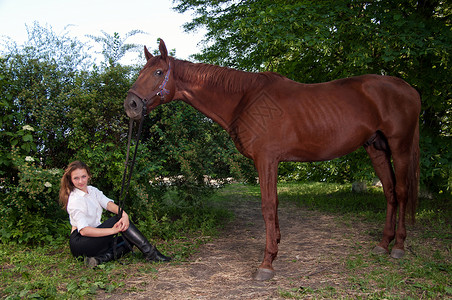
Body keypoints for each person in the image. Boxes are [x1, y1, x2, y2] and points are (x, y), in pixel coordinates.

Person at [59, 160, 170, 267]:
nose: (81, 181)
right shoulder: (75, 200)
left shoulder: (92, 190)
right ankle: (151, 253)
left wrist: (124, 214)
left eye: (83, 176)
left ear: (89, 175)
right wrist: (113, 230)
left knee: (128, 240)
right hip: (81, 244)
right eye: (76, 178)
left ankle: (99, 259)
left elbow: (108, 204)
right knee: (117, 219)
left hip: (93, 240)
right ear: (71, 180)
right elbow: (84, 231)